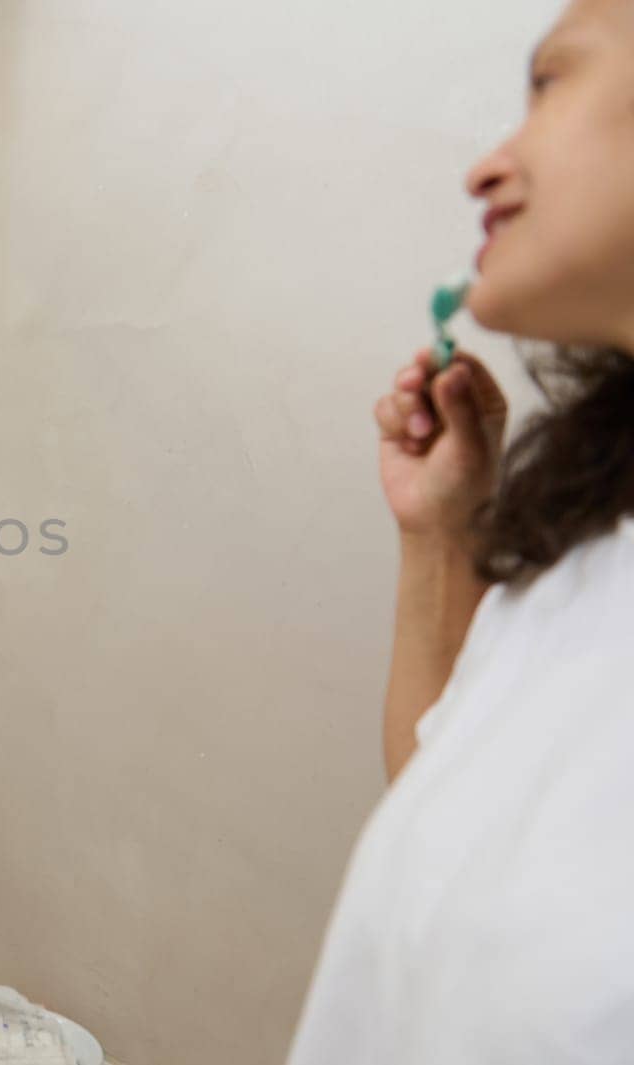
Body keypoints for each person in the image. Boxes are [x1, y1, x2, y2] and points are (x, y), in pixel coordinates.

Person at [287, 1, 634, 1060]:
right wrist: (439, 532)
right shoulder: (591, 551)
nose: (486, 166)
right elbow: (442, 807)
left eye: (550, 84)